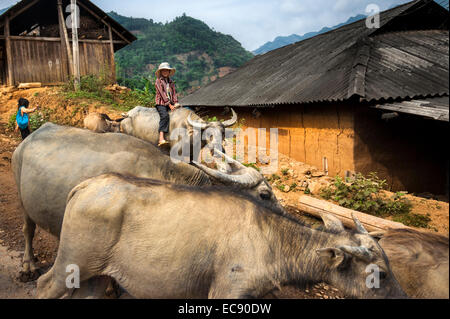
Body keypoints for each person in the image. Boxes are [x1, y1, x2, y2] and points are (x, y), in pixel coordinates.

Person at [154, 62, 180, 147]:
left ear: (169, 72)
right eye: (163, 71)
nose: (165, 72)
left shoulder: (171, 82)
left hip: (171, 103)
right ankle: (161, 138)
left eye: (167, 71)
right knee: (165, 116)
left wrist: (176, 103)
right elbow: (162, 94)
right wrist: (169, 105)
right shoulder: (158, 81)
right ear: (161, 72)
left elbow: (174, 93)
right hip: (161, 103)